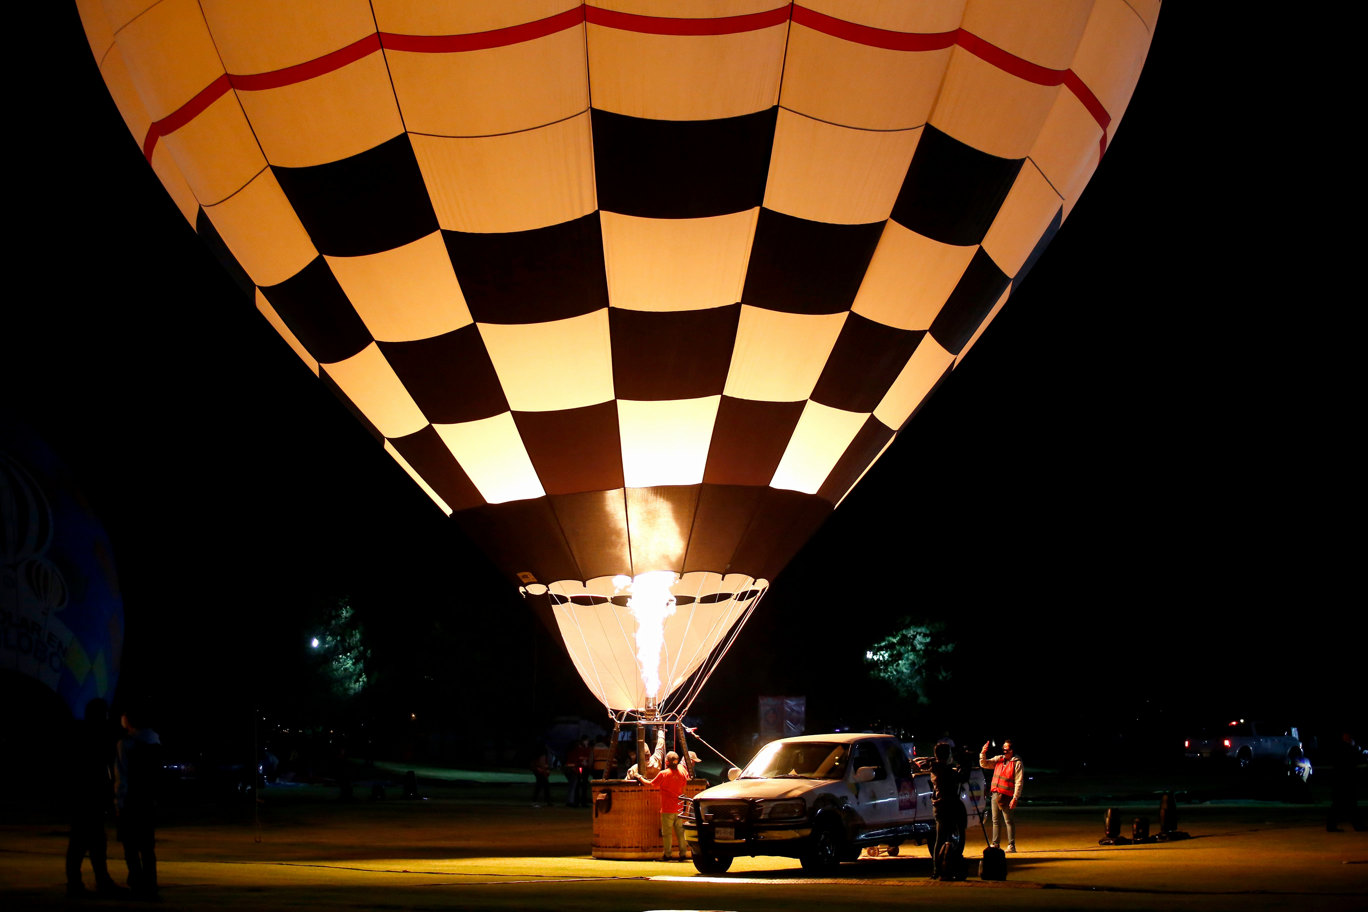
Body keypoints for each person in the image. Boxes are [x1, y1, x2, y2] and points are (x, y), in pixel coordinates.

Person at [65, 699, 124, 898]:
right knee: (89, 842)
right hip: (89, 796)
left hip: (84, 797)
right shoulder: (95, 735)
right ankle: (91, 881)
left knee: (84, 842)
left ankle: (81, 881)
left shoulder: (81, 734)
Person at [114, 709, 162, 899]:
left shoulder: (126, 744)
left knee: (131, 846)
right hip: (148, 800)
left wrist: (119, 801)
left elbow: (122, 775)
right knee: (147, 848)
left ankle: (136, 882)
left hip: (131, 800)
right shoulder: (154, 741)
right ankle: (150, 884)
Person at [638, 750, 690, 861]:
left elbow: (650, 784)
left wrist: (639, 777)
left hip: (667, 809)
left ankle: (667, 854)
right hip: (679, 808)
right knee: (680, 833)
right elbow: (685, 783)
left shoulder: (664, 774)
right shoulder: (682, 771)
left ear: (666, 762)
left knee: (667, 833)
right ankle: (683, 854)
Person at [923, 742, 964, 878]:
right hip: (946, 805)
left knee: (940, 838)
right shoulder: (944, 770)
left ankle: (938, 869)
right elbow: (961, 778)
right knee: (942, 838)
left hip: (940, 806)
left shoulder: (935, 768)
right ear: (946, 755)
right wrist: (964, 765)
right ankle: (940, 869)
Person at [980, 739, 1023, 852]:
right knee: (995, 820)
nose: (1004, 750)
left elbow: (1019, 782)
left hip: (1007, 796)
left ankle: (1011, 845)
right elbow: (984, 764)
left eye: (1006, 748)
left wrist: (1015, 798)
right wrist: (983, 753)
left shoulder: (1017, 763)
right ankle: (995, 844)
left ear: (1011, 750)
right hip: (995, 794)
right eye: (1003, 748)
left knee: (1008, 820)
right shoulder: (999, 759)